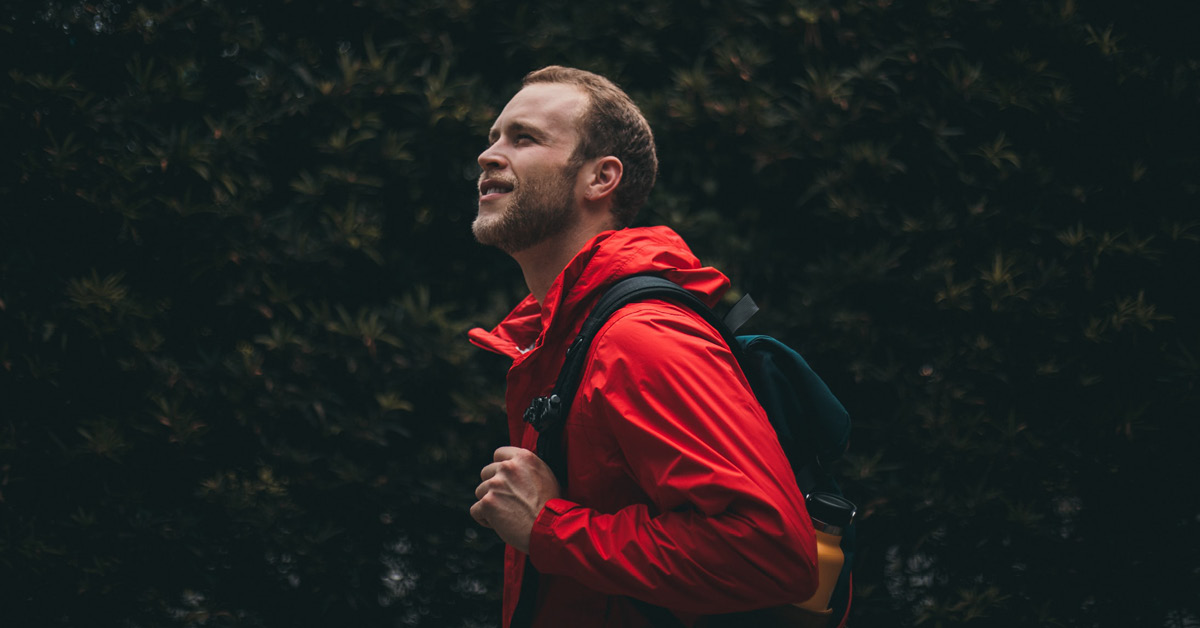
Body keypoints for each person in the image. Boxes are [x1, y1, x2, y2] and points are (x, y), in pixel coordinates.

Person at [467, 66, 818, 628]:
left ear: (600, 178)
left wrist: (549, 527)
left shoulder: (639, 338)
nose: (489, 154)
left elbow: (771, 551)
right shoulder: (564, 335)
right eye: (494, 138)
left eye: (524, 138)